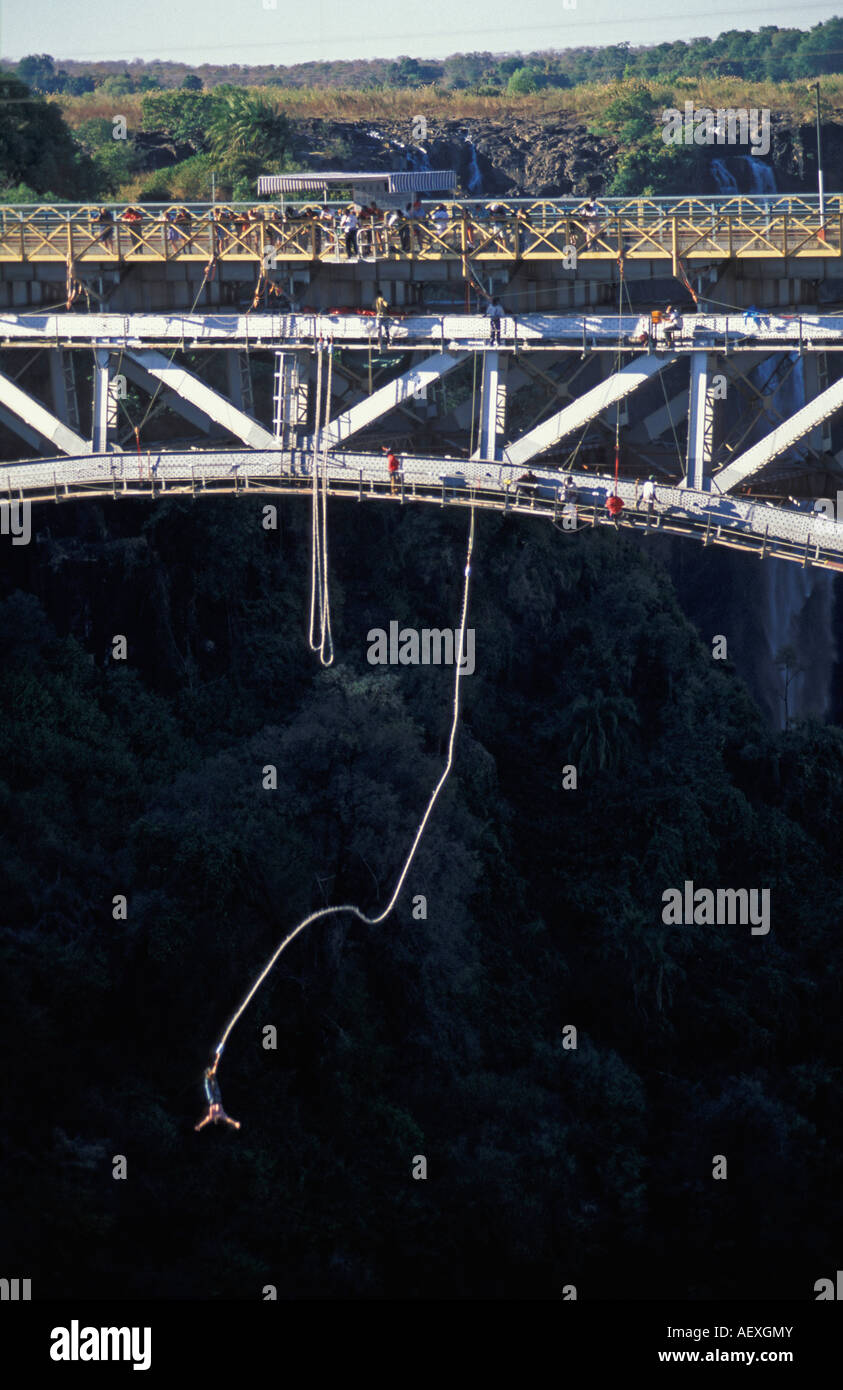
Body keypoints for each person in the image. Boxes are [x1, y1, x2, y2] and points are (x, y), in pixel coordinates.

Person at [194, 1063, 240, 1132]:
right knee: (211, 1082)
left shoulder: (214, 1116)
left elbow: (205, 1121)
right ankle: (211, 1072)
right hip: (215, 1099)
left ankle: (209, 1075)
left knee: (208, 1084)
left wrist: (199, 1126)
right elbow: (228, 1119)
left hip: (213, 1100)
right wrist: (235, 1123)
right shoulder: (219, 1115)